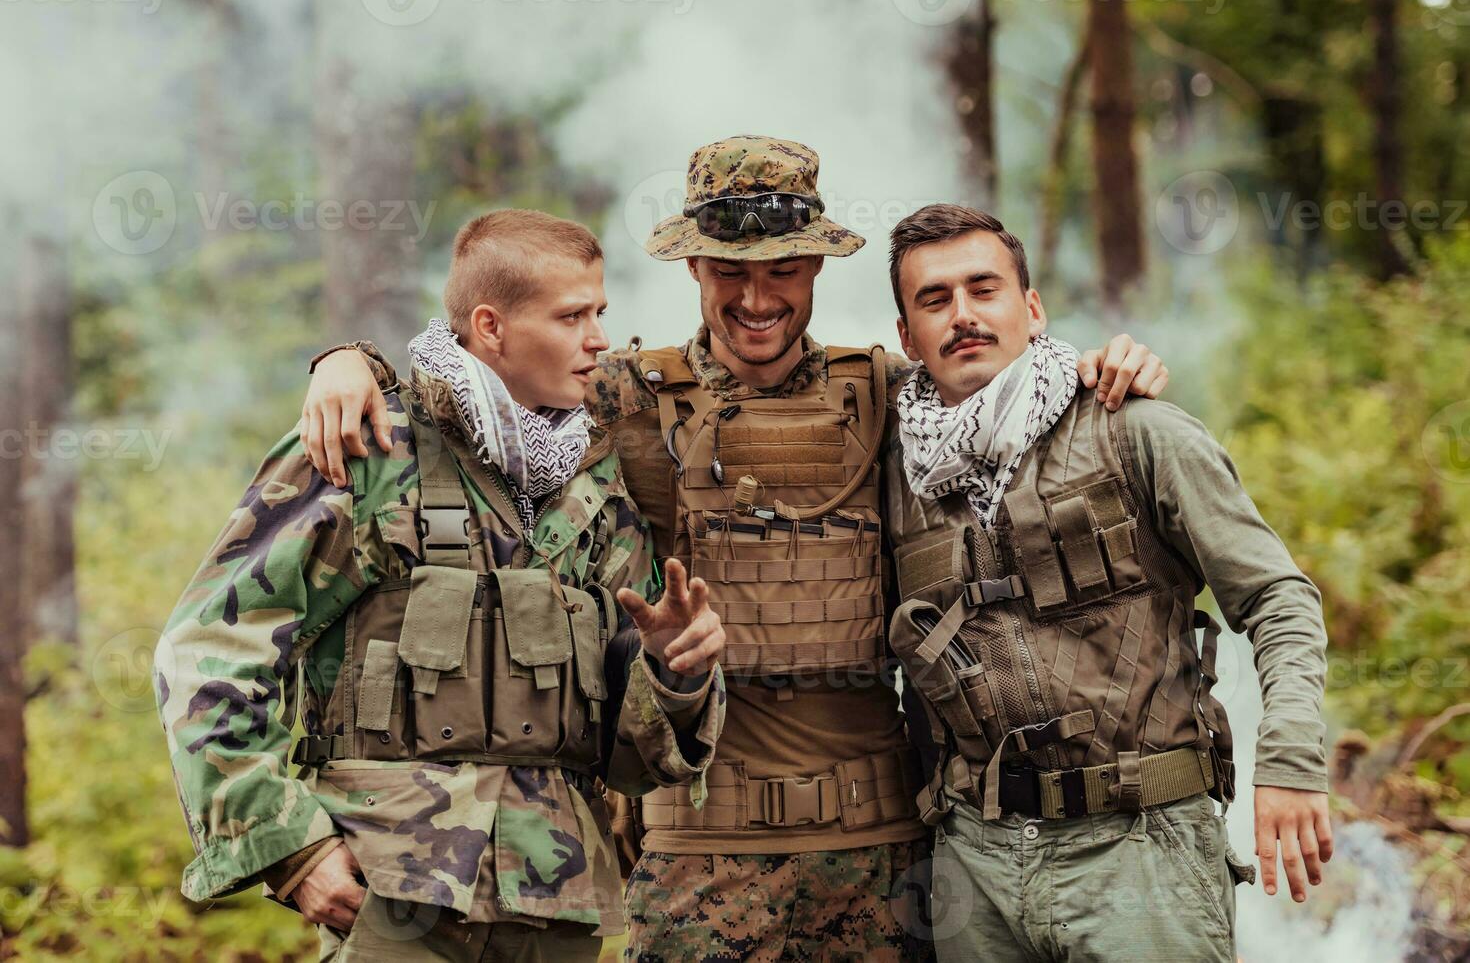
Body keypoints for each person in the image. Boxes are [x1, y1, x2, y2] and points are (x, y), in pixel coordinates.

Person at [300, 136, 1169, 960]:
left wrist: (1103, 366)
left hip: (880, 849)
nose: (757, 299)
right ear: (692, 267)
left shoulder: (886, 396)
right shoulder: (621, 399)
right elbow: (479, 382)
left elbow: (999, 384)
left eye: (784, 271)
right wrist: (350, 363)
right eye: (728, 274)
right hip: (693, 850)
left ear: (819, 264)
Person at [154, 209, 727, 962]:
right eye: (572, 316)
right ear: (490, 326)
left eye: (600, 314)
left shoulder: (595, 483)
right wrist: (289, 848)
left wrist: (674, 673)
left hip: (553, 902)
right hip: (395, 894)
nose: (597, 339)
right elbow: (209, 650)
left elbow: (626, 756)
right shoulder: (368, 444)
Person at [882, 203, 1332, 961]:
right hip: (975, 867)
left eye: (983, 289)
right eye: (934, 300)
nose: (962, 315)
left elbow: (1278, 599)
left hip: (1140, 852)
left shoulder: (1136, 430)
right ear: (905, 337)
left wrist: (1290, 760)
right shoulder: (897, 472)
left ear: (1031, 307)